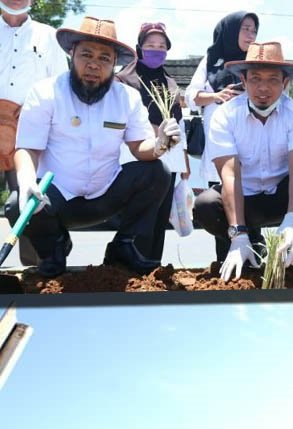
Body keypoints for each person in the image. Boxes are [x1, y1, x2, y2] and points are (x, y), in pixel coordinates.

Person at [5, 17, 178, 278]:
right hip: (56, 198)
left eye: (104, 58)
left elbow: (139, 147)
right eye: (86, 54)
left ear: (114, 64)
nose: (94, 65)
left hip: (105, 193)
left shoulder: (126, 98)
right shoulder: (45, 92)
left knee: (158, 172)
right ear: (71, 53)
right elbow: (27, 147)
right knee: (17, 202)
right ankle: (55, 247)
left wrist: (161, 143)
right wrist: (27, 180)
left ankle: (123, 245)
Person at [194, 41, 293, 281]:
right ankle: (245, 245)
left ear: (285, 83)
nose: (263, 88)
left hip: (282, 196)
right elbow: (230, 175)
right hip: (245, 199)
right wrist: (238, 232)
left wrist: (292, 221)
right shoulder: (225, 115)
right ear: (244, 81)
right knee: (206, 204)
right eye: (255, 79)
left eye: (273, 79)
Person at [0, 0, 69, 267]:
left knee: (27, 201)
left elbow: (61, 86)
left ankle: (35, 267)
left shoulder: (48, 35)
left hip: (30, 132)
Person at [115, 21, 190, 264]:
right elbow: (121, 119)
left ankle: (152, 267)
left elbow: (179, 124)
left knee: (160, 217)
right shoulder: (124, 80)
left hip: (170, 156)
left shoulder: (169, 83)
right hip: (137, 156)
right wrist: (156, 133)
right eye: (150, 45)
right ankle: (128, 265)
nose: (156, 50)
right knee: (140, 213)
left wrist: (184, 161)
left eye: (161, 46)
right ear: (139, 48)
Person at [184, 11, 258, 189]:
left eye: (254, 31)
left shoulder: (256, 60)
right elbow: (190, 97)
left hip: (251, 139)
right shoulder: (211, 60)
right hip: (218, 140)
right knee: (218, 193)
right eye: (246, 29)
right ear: (231, 31)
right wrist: (217, 96)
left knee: (249, 191)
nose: (251, 35)